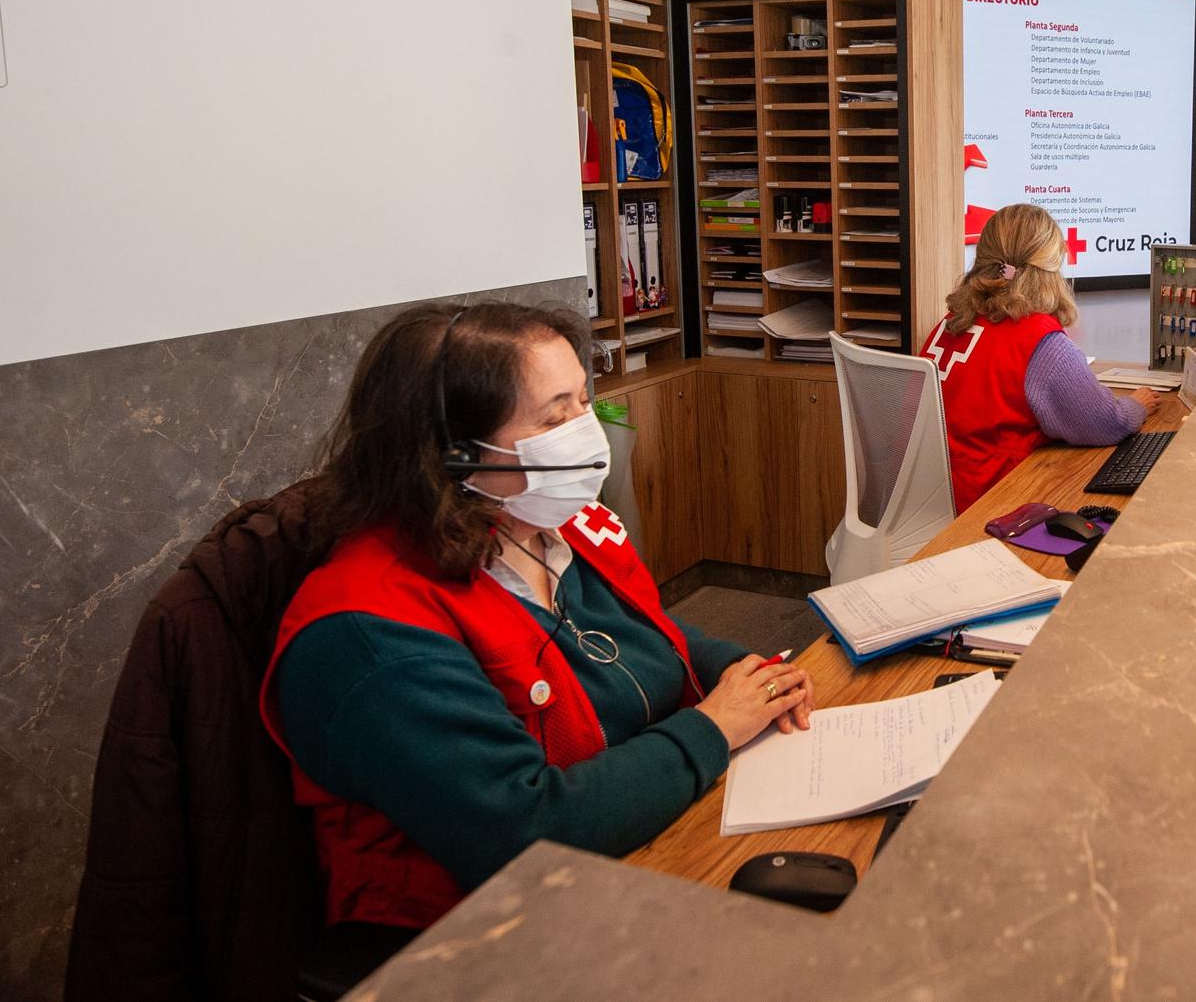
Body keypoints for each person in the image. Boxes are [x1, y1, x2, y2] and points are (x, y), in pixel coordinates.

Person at [260, 302, 813, 931]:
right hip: (485, 933)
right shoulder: (370, 635)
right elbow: (525, 831)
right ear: (454, 454)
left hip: (631, 849)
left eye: (584, 400)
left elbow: (648, 630)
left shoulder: (544, 524)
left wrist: (739, 669)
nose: (588, 431)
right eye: (557, 416)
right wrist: (713, 729)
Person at [921, 204, 1160, 513]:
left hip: (933, 497)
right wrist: (1136, 405)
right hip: (988, 502)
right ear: (1050, 267)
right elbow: (1104, 423)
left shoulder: (950, 323)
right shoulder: (1040, 341)